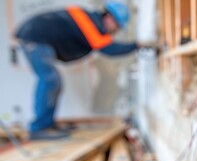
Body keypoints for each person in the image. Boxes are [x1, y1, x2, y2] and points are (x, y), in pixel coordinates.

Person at [15, 2, 149, 140]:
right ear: (109, 18)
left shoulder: (91, 22)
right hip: (34, 38)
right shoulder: (86, 20)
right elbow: (108, 49)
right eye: (117, 26)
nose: (115, 31)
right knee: (50, 80)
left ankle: (47, 125)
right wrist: (137, 45)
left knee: (53, 81)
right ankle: (38, 128)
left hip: (39, 40)